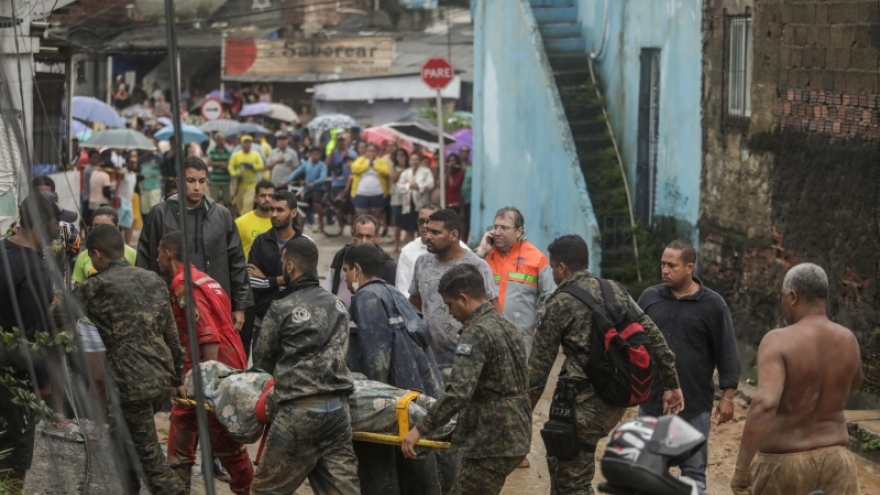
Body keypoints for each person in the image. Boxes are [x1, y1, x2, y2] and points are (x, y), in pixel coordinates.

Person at [527, 234, 684, 495]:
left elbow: (537, 371)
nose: (552, 272)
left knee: (573, 482)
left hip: (581, 405)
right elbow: (656, 340)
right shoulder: (616, 290)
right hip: (616, 397)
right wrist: (672, 384)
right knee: (560, 463)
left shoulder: (559, 302)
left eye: (553, 266)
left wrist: (522, 415)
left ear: (562, 267)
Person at [73, 224, 186, 495]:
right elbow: (172, 334)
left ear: (97, 255)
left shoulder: (96, 286)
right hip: (159, 376)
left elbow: (54, 316)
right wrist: (178, 378)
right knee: (121, 444)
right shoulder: (153, 280)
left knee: (150, 461)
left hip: (131, 386)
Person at [731, 263, 863, 495]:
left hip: (785, 465)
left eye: (783, 297)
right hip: (838, 462)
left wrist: (742, 470)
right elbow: (855, 383)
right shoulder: (848, 340)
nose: (782, 304)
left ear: (792, 297)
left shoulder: (778, 340)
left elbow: (765, 404)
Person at [402, 264, 531, 495]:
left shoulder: (475, 334)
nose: (449, 313)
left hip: (490, 441)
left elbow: (458, 393)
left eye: (449, 305)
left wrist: (419, 430)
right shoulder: (509, 328)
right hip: (516, 434)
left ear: (463, 298)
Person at [252, 237, 360, 495]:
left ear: (289, 266)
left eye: (282, 263)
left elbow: (263, 360)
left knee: (266, 491)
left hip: (298, 415)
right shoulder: (338, 305)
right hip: (337, 414)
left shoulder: (282, 308)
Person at [156, 231, 254, 495]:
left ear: (168, 253)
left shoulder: (181, 284)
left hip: (212, 368)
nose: (156, 260)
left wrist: (209, 383)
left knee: (219, 437)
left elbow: (207, 334)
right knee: (194, 426)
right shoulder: (204, 279)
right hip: (229, 363)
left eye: (158, 254)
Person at [637, 239, 740, 488]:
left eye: (671, 265)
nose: (664, 270)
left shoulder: (713, 305)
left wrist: (727, 397)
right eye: (663, 264)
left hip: (693, 407)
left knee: (692, 475)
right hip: (652, 405)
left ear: (689, 267)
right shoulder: (650, 298)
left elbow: (727, 352)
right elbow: (633, 342)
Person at [344, 243, 444, 495]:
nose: (345, 278)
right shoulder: (394, 293)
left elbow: (377, 359)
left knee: (385, 469)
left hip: (395, 403)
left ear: (357, 269)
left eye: (346, 270)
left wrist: (370, 406)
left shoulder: (366, 297)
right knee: (418, 469)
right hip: (417, 397)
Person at [0, 194, 70, 494]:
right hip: (14, 382)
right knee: (13, 460)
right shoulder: (35, 272)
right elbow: (35, 336)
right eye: (55, 223)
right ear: (42, 224)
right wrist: (42, 383)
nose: (57, 230)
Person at [137, 156, 252, 334]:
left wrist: (240, 305)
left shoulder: (221, 215)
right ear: (179, 182)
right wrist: (146, 303)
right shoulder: (159, 214)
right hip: (170, 301)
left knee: (212, 355)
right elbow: (144, 260)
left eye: (201, 181)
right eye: (190, 181)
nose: (197, 187)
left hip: (212, 300)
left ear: (207, 182)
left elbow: (236, 261)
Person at [408, 208, 499, 376]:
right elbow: (414, 304)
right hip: (429, 360)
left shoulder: (477, 266)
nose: (428, 236)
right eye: (428, 231)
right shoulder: (422, 263)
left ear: (454, 235)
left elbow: (494, 312)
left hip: (466, 361)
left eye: (435, 232)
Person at [475, 206, 555, 359]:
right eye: (495, 227)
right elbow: (463, 280)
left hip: (520, 339)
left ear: (519, 231)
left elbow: (550, 300)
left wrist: (536, 326)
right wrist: (481, 251)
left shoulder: (537, 258)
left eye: (504, 228)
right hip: (485, 336)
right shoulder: (484, 256)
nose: (497, 232)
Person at [247, 190, 310, 353]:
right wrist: (282, 280)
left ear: (293, 213)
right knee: (261, 375)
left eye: (280, 210)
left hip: (295, 324)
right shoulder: (260, 242)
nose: (274, 214)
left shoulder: (305, 244)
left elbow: (306, 285)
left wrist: (266, 279)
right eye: (272, 210)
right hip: (262, 322)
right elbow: (251, 281)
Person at [396, 203, 468, 299]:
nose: (425, 225)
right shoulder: (407, 252)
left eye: (430, 221)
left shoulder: (461, 250)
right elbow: (402, 290)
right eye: (421, 221)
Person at [324, 214, 396, 308]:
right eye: (359, 236)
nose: (364, 241)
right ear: (353, 235)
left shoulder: (387, 265)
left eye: (369, 236)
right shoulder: (341, 257)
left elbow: (392, 302)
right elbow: (328, 288)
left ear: (377, 236)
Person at [286, 146, 328, 233]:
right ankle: (300, 230)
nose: (316, 156)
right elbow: (297, 172)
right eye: (314, 154)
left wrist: (314, 183)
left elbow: (323, 177)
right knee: (303, 209)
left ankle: (321, 223)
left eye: (317, 154)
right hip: (308, 189)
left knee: (316, 204)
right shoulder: (306, 164)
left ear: (319, 155)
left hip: (318, 189)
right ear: (310, 155)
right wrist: (287, 180)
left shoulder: (322, 165)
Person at [396, 152, 434, 245]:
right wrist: (409, 185)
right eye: (412, 160)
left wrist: (418, 186)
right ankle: (411, 250)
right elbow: (399, 186)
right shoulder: (405, 173)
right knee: (409, 229)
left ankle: (423, 249)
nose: (414, 162)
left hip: (422, 205)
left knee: (422, 228)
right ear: (409, 161)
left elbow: (431, 184)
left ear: (419, 161)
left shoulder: (426, 171)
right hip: (408, 205)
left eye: (416, 159)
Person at [350, 143, 390, 222]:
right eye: (369, 150)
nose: (371, 152)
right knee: (362, 219)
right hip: (361, 194)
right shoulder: (360, 160)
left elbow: (386, 171)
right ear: (366, 151)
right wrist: (368, 165)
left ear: (376, 152)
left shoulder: (381, 161)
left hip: (378, 194)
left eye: (373, 151)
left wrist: (374, 166)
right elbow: (355, 169)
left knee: (375, 218)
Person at [235, 180, 275, 258]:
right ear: (256, 198)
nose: (267, 199)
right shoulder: (240, 222)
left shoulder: (280, 223)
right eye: (263, 196)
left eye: (270, 196)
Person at [228, 135, 266, 215]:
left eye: (249, 142)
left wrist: (253, 166)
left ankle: (244, 224)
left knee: (247, 207)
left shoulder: (255, 154)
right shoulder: (236, 155)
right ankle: (240, 223)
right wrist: (235, 174)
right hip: (239, 185)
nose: (247, 144)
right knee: (239, 207)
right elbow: (231, 166)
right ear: (241, 144)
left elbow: (261, 166)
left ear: (251, 144)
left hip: (251, 185)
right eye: (245, 142)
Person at [389, 148, 409, 253]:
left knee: (408, 222)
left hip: (408, 199)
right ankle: (396, 245)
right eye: (398, 155)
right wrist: (402, 170)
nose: (400, 157)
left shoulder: (411, 168)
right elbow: (394, 178)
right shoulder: (394, 167)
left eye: (402, 155)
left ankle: (407, 244)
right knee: (397, 223)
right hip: (396, 199)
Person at [206, 132, 234, 208]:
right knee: (213, 201)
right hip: (215, 180)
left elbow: (228, 165)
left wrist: (215, 163)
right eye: (220, 140)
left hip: (226, 180)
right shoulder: (212, 150)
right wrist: (221, 163)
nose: (222, 142)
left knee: (227, 201)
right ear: (216, 140)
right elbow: (209, 163)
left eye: (223, 140)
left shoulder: (228, 151)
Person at [117, 151, 139, 245]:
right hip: (120, 202)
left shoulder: (133, 175)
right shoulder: (123, 172)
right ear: (127, 163)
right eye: (131, 162)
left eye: (135, 162)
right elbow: (117, 184)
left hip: (128, 203)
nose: (133, 164)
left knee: (128, 226)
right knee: (117, 225)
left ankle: (128, 245)